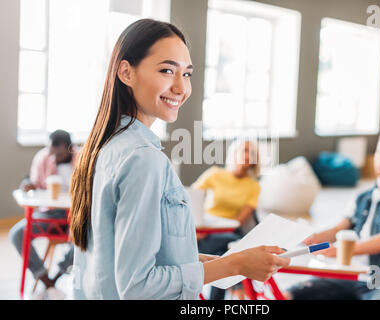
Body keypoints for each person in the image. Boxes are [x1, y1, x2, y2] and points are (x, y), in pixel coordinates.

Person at [69, 19, 290, 300]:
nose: (181, 87)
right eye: (166, 71)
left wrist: (227, 263)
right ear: (126, 72)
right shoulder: (143, 159)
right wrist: (234, 263)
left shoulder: (102, 148)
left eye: (186, 74)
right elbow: (138, 286)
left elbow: (121, 259)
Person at [284, 126, 380, 300]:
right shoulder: (362, 197)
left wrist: (340, 251)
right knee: (289, 295)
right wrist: (313, 238)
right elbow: (339, 229)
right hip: (350, 275)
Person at [9, 130, 77, 298]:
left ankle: (59, 275)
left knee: (87, 237)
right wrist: (28, 184)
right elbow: (33, 183)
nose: (54, 157)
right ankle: (45, 279)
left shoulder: (82, 158)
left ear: (68, 148)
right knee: (17, 234)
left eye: (58, 153)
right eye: (51, 152)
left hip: (75, 217)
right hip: (50, 215)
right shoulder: (43, 157)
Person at [193, 139, 261, 299]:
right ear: (234, 153)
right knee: (230, 251)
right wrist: (196, 229)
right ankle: (236, 290)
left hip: (228, 231)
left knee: (228, 248)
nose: (247, 155)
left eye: (251, 153)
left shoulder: (253, 186)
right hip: (205, 232)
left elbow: (239, 221)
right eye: (244, 150)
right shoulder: (215, 174)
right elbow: (190, 199)